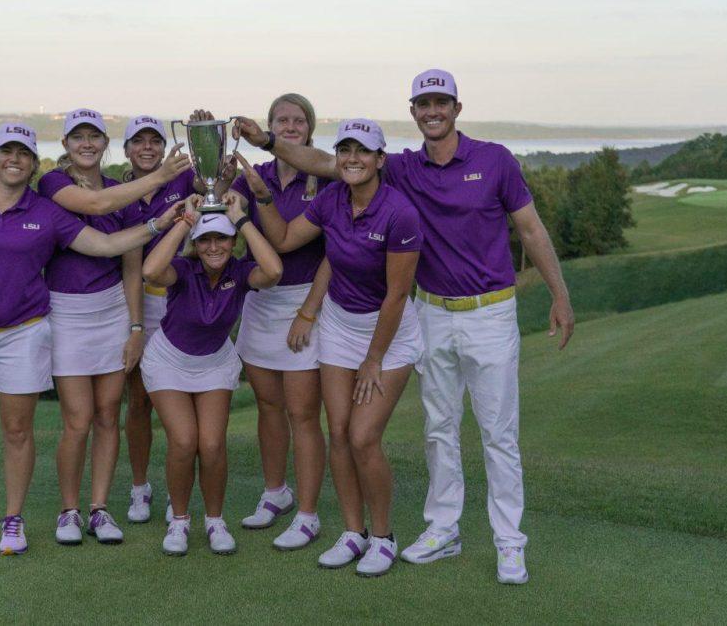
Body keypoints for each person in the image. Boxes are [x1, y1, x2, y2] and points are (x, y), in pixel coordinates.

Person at [234, 69, 576, 584]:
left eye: (440, 102)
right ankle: (443, 530)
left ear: (456, 108)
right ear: (413, 112)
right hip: (433, 311)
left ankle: (509, 543)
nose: (432, 111)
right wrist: (265, 141)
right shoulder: (403, 168)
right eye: (423, 104)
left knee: (497, 434)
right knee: (439, 430)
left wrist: (560, 293)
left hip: (490, 311)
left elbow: (529, 226)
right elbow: (324, 161)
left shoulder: (495, 160)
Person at [0, 121, 184, 556]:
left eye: (22, 154)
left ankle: (14, 519)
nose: (13, 160)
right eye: (6, 152)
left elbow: (104, 245)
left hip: (25, 331)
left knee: (18, 430)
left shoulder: (45, 210)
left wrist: (157, 226)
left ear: (34, 163)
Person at [241, 118, 423, 577]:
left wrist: (374, 360)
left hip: (389, 333)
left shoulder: (400, 212)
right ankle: (352, 532)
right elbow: (283, 240)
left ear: (381, 160)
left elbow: (396, 296)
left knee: (363, 436)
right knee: (338, 432)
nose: (352, 159)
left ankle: (383, 537)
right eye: (344, 150)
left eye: (362, 151)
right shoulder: (331, 198)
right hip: (340, 326)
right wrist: (259, 199)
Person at [37, 108, 190, 545]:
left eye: (94, 137)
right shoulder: (53, 183)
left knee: (108, 415)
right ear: (66, 144)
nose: (86, 144)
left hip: (111, 312)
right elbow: (95, 207)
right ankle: (69, 511)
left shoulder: (121, 190)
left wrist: (136, 327)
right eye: (77, 137)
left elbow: (130, 266)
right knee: (78, 419)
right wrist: (161, 178)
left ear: (105, 144)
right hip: (66, 311)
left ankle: (99, 509)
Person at [140, 193, 283, 556]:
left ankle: (215, 521)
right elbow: (151, 271)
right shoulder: (183, 270)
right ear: (196, 243)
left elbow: (274, 271)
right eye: (205, 239)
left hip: (215, 363)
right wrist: (185, 222)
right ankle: (180, 520)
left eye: (221, 238)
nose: (214, 246)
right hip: (168, 362)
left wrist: (242, 220)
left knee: (214, 444)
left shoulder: (239, 272)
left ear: (233, 242)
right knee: (185, 441)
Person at [221, 95, 331, 549]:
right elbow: (222, 218)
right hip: (261, 301)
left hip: (308, 302)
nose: (289, 126)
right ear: (266, 126)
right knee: (268, 406)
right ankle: (275, 493)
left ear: (309, 129)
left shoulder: (325, 175)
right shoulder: (257, 175)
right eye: (280, 120)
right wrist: (214, 174)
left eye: (298, 120)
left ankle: (307, 514)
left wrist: (309, 311)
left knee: (303, 413)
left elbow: (312, 249)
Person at [119, 115, 196, 525]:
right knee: (140, 401)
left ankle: (176, 491)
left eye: (154, 141)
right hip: (136, 304)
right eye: (138, 142)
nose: (147, 148)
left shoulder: (181, 181)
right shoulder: (118, 192)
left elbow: (214, 182)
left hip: (179, 300)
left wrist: (203, 139)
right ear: (127, 149)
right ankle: (139, 487)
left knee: (177, 403)